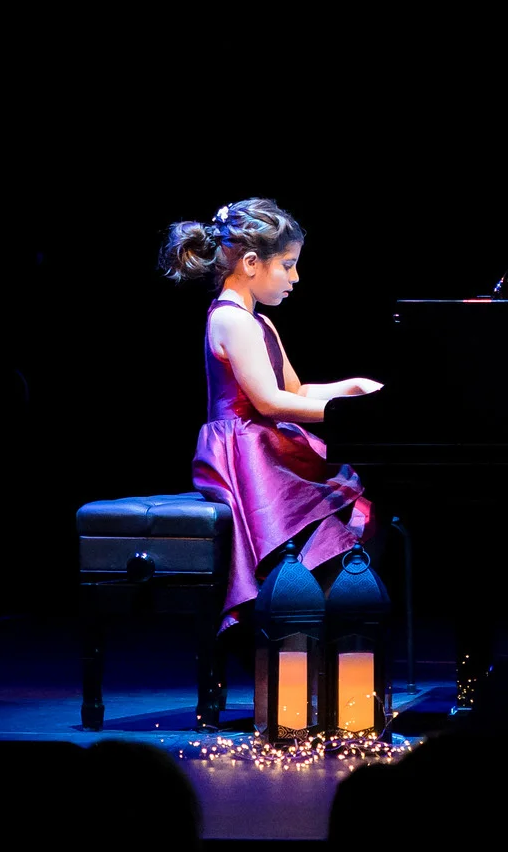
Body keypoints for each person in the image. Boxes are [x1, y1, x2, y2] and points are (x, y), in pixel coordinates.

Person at [160, 197, 385, 633]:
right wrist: (342, 415)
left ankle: (321, 621)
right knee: (333, 513)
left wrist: (353, 386)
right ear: (249, 262)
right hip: (245, 451)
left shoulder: (258, 322)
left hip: (265, 440)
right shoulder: (232, 320)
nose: (295, 277)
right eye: (288, 264)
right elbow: (269, 402)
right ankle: (297, 621)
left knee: (355, 512)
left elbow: (295, 391)